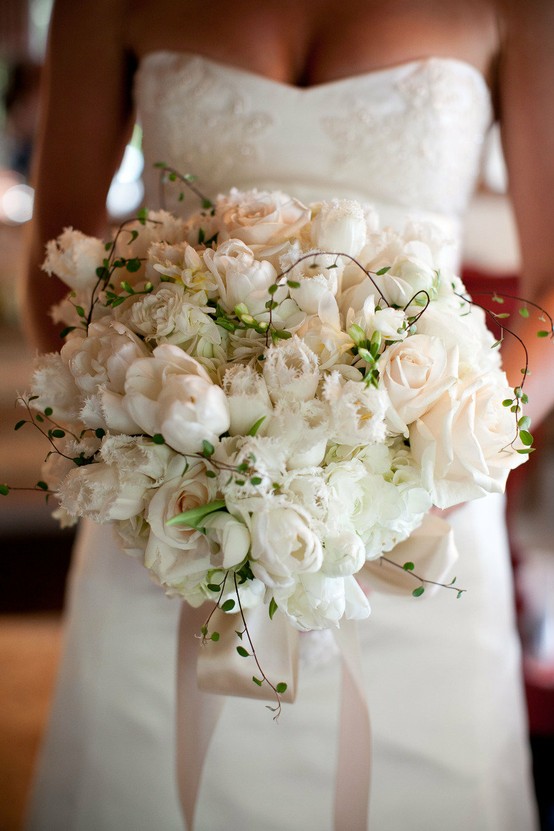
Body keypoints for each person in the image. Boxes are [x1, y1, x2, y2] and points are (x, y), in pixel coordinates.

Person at [22, 0, 554, 828]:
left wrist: (445, 454)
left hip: (421, 523)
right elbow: (55, 263)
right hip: (172, 516)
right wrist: (147, 442)